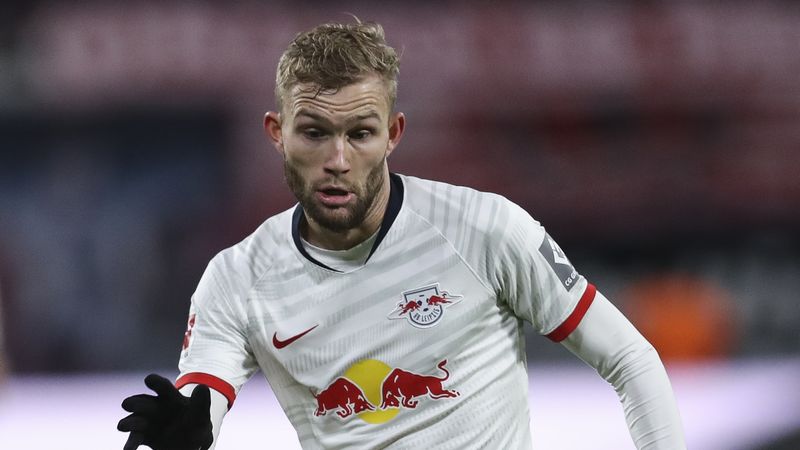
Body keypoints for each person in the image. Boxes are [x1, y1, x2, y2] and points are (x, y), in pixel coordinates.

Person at [118, 20, 686, 450]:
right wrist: (188, 432)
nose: (337, 160)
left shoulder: (486, 229)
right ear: (276, 132)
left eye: (360, 134)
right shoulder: (237, 278)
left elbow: (630, 360)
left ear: (393, 133)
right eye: (314, 133)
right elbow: (200, 403)